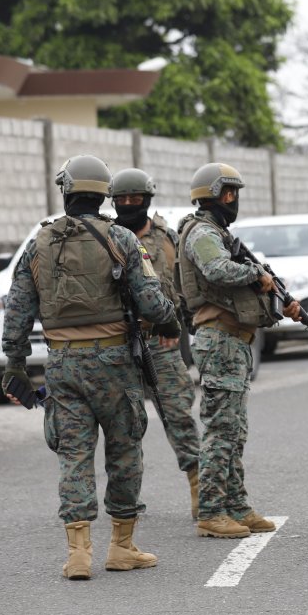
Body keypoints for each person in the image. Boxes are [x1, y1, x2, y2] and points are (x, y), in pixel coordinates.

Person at [1, 155, 181, 579]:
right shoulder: (120, 237)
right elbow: (152, 303)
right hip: (115, 363)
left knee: (73, 453)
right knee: (124, 450)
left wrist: (14, 364)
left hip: (62, 364)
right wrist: (170, 320)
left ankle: (78, 554)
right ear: (104, 194)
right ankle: (121, 547)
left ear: (66, 192)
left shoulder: (40, 244)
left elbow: (18, 311)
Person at [177, 163, 301, 539]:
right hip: (219, 339)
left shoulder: (218, 232)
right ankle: (212, 512)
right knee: (220, 429)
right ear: (211, 195)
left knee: (235, 430)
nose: (233, 201)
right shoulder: (201, 233)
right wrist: (255, 276)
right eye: (228, 194)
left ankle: (236, 504)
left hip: (235, 342)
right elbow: (216, 270)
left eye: (235, 194)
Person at [109, 168, 201, 519]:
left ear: (148, 200)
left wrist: (190, 329)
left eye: (136, 200)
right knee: (124, 424)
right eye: (123, 200)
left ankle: (198, 485)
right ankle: (126, 501)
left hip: (161, 341)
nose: (130, 205)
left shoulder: (168, 238)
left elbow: (184, 287)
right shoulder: (107, 238)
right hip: (117, 344)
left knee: (178, 413)